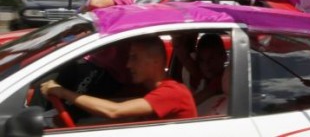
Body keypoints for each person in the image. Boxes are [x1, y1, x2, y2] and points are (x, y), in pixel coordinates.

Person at [41, 36, 197, 123]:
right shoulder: (148, 92)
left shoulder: (173, 93)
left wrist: (61, 92)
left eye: (134, 58)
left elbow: (114, 111)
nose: (128, 65)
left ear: (155, 60)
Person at [172, 33, 227, 104]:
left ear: (224, 56)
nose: (206, 64)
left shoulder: (225, 79)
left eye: (212, 58)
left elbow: (191, 103)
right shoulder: (202, 76)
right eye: (202, 60)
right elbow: (183, 56)